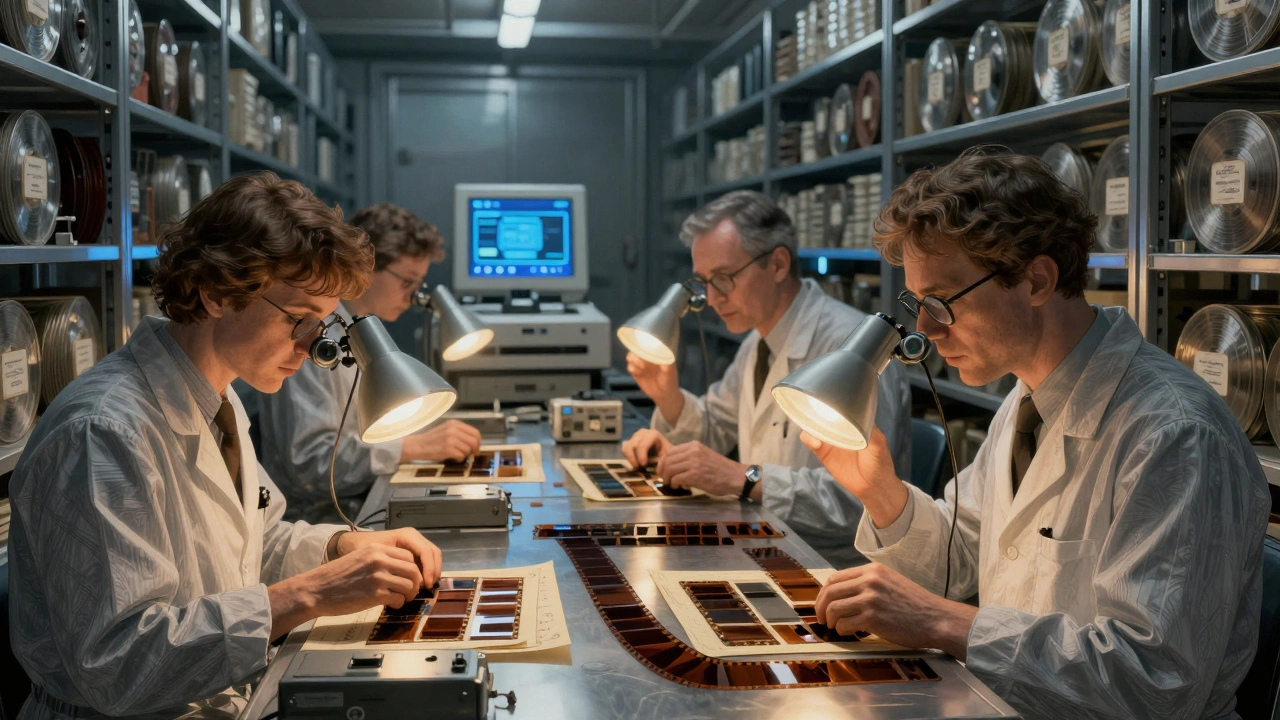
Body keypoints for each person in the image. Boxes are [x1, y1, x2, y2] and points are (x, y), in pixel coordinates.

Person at [803, 148, 1270, 718]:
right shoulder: (1027, 400)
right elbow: (964, 558)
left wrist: (940, 621)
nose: (924, 329)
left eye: (941, 302)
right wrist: (880, 491)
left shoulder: (1174, 434)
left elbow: (1154, 682)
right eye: (917, 302)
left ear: (1037, 280)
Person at [8, 174, 444, 720]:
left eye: (323, 323)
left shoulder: (219, 394)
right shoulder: (104, 433)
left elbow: (252, 546)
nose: (315, 346)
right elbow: (117, 665)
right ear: (217, 293)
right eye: (300, 320)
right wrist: (307, 595)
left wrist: (341, 550)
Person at [622, 190, 911, 568]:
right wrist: (668, 397)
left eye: (724, 278)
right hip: (764, 549)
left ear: (777, 264)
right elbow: (716, 425)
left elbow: (864, 501)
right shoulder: (758, 341)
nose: (711, 298)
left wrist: (745, 478)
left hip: (832, 571)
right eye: (704, 282)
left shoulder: (853, 354)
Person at [257, 203, 481, 523]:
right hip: (318, 521)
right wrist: (411, 448)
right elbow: (309, 464)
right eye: (407, 283)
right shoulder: (314, 341)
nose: (413, 297)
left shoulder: (357, 329)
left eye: (419, 287)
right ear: (369, 266)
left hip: (355, 506)